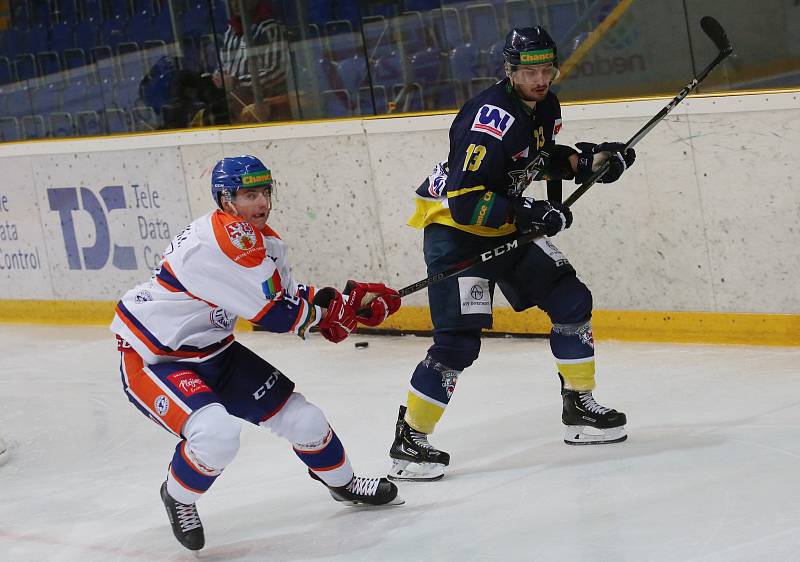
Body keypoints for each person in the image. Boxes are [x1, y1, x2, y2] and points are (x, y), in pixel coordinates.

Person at [110, 155, 403, 551]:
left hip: (216, 351)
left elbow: (286, 295)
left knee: (306, 420)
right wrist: (330, 316)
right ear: (226, 199)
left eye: (265, 191)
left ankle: (344, 485)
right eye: (250, 194)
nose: (262, 202)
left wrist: (343, 300)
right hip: (154, 358)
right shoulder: (212, 244)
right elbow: (277, 315)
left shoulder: (263, 241)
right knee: (215, 436)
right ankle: (177, 497)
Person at [387, 27, 636, 482]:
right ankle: (410, 441)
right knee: (458, 344)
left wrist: (589, 162)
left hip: (503, 223)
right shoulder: (490, 118)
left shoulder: (546, 104)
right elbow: (466, 201)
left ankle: (578, 407)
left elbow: (533, 160)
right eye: (530, 71)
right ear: (510, 71)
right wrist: (531, 212)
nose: (540, 79)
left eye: (547, 70)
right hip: (457, 234)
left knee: (570, 299)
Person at [213, 0, 290, 122]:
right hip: (235, 97)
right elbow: (222, 62)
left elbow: (279, 71)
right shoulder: (231, 30)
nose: (236, 3)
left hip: (262, 100)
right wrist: (218, 75)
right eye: (232, 0)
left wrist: (237, 81)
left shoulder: (269, 29)